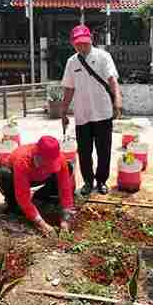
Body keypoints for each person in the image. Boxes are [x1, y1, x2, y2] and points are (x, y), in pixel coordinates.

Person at [61, 24, 122, 196]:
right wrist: (63, 110)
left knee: (104, 150)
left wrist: (117, 100)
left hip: (103, 113)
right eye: (78, 44)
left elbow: (112, 80)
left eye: (85, 43)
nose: (82, 46)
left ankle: (101, 181)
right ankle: (88, 181)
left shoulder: (104, 57)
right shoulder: (72, 62)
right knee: (84, 152)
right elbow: (69, 88)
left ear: (91, 40)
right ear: (73, 44)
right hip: (82, 115)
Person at [0, 136, 75, 237]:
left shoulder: (59, 158)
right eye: (48, 164)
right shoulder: (22, 161)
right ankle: (13, 204)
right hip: (16, 178)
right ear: (38, 157)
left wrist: (66, 218)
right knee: (4, 175)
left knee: (68, 167)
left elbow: (65, 188)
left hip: (41, 177)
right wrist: (41, 224)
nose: (50, 166)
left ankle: (40, 197)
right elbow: (23, 196)